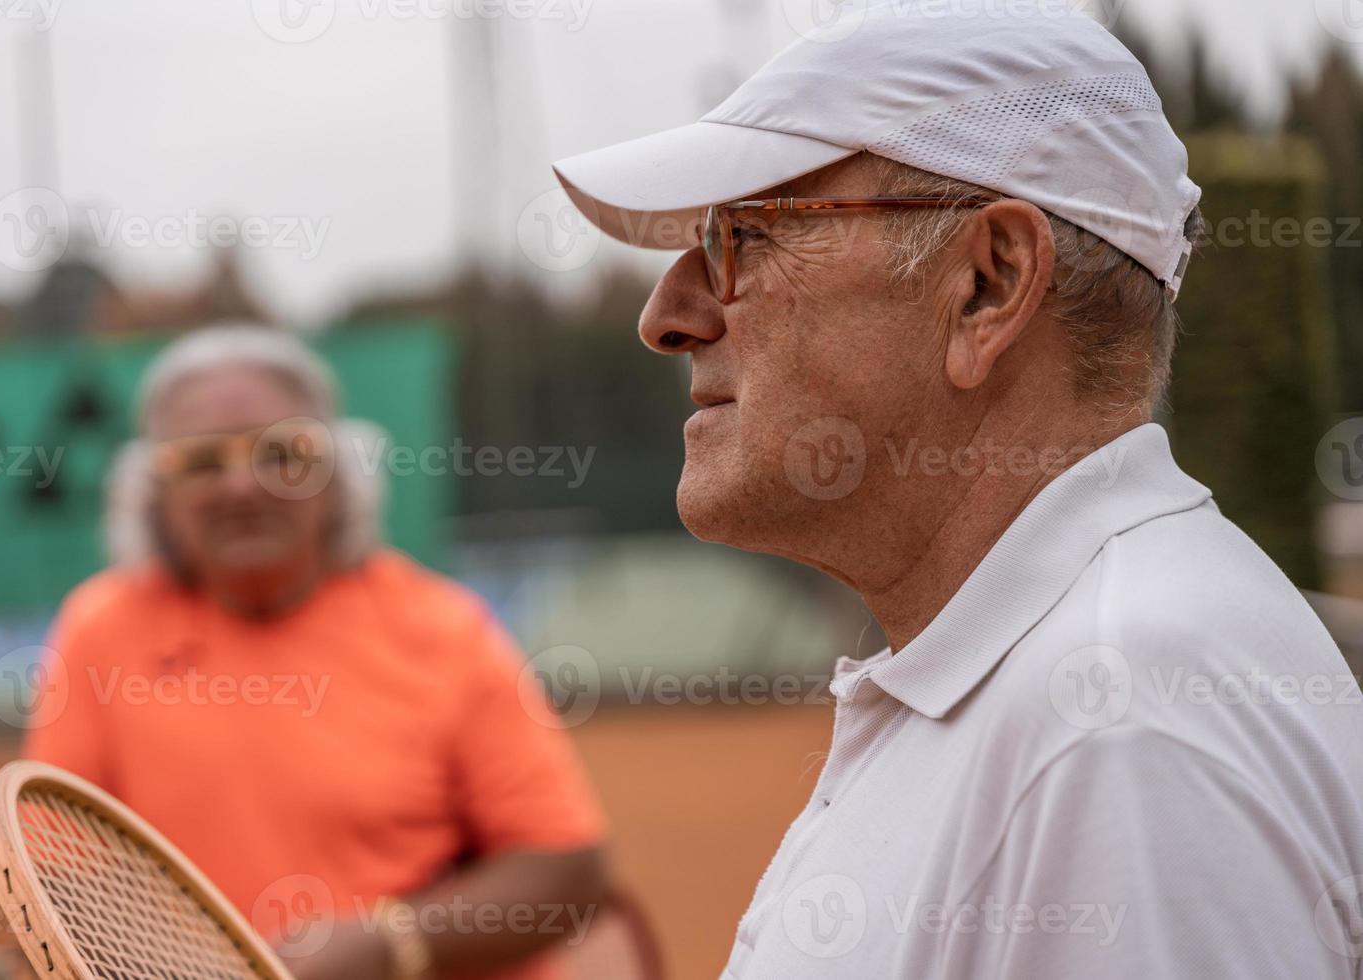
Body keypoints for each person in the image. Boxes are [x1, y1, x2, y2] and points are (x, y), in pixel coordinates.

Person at [552, 4, 1363, 978]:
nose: (666, 314)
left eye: (746, 232)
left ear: (987, 283)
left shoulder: (1121, 725)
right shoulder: (1058, 682)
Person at [24, 325, 609, 980]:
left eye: (283, 453)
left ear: (338, 474)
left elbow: (568, 870)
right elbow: (63, 875)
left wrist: (391, 944)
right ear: (153, 493)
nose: (241, 486)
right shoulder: (101, 629)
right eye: (201, 461)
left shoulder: (444, 630)